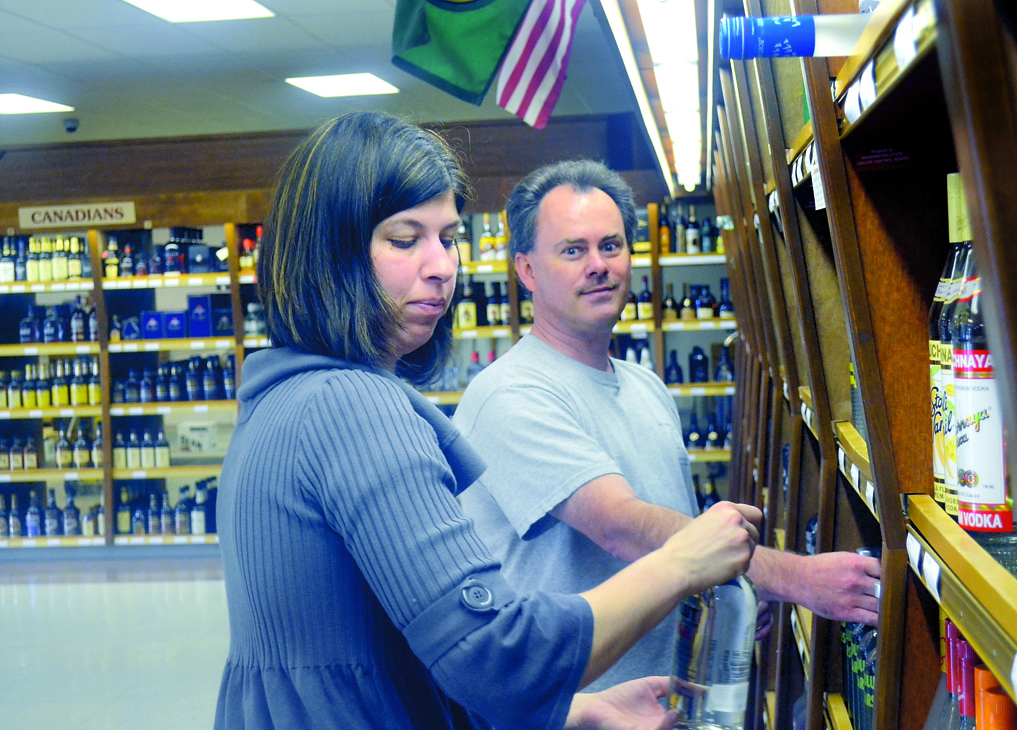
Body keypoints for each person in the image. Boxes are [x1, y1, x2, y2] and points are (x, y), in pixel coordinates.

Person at [213, 112, 762, 730]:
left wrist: (572, 713)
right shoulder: (355, 408)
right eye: (404, 239)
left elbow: (390, 658)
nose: (442, 266)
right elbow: (499, 656)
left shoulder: (280, 398)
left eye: (448, 237)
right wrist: (682, 562)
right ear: (332, 253)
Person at [453, 159, 883, 692]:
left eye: (611, 246)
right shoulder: (510, 394)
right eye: (573, 250)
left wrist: (723, 595)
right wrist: (795, 578)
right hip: (576, 713)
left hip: (662, 704)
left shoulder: (645, 386)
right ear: (526, 271)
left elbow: (669, 549)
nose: (598, 265)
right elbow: (620, 526)